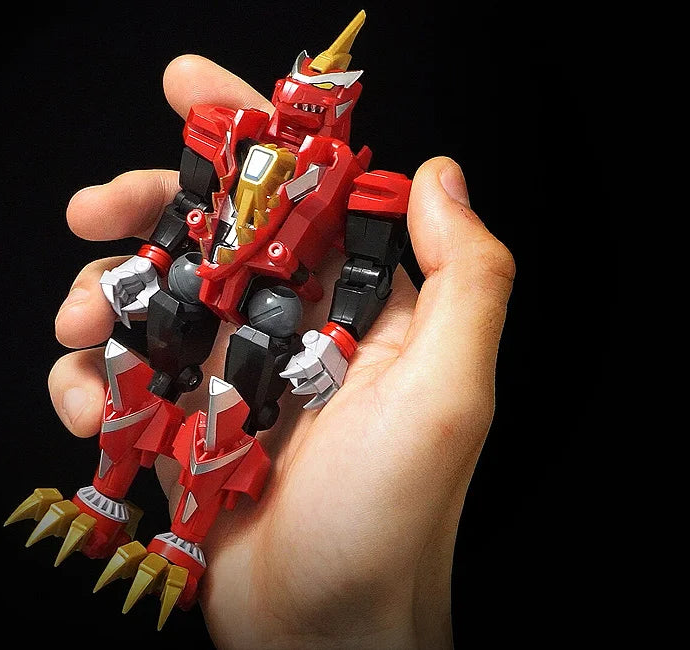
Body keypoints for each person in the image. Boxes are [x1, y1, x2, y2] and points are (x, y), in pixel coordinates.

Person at [47, 54, 515, 649]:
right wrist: (151, 258)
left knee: (233, 405)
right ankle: (103, 494)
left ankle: (185, 539)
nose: (297, 108)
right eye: (294, 92)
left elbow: (366, 269)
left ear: (339, 107)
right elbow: (187, 203)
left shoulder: (359, 183)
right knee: (139, 363)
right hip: (200, 269)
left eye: (313, 102)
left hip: (275, 297)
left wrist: (339, 337)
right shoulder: (231, 132)